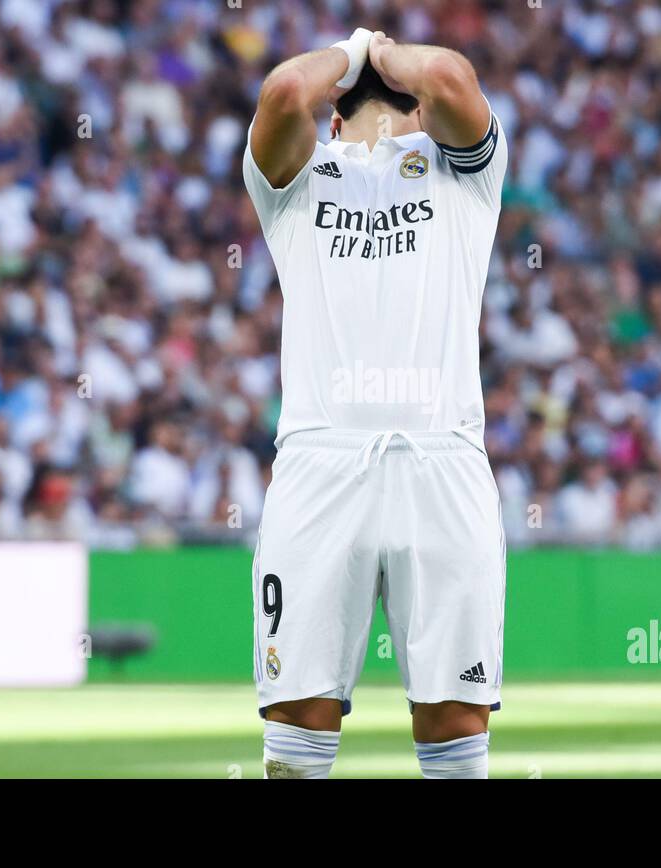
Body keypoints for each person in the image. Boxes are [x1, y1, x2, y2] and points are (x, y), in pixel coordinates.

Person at [242, 27, 508, 779]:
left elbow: (449, 79)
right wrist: (370, 52)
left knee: (453, 718)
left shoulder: (462, 175)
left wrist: (364, 58)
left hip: (440, 458)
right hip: (323, 463)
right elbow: (286, 93)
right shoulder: (299, 180)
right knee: (302, 714)